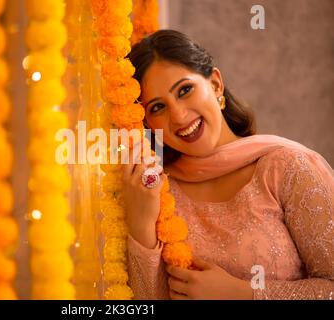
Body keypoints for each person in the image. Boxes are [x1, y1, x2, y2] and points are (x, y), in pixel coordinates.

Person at [123, 30, 334, 300]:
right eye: (157, 107)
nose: (178, 116)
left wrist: (241, 293)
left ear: (215, 84)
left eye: (185, 90)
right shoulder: (158, 191)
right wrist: (141, 224)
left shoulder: (284, 167)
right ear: (148, 125)